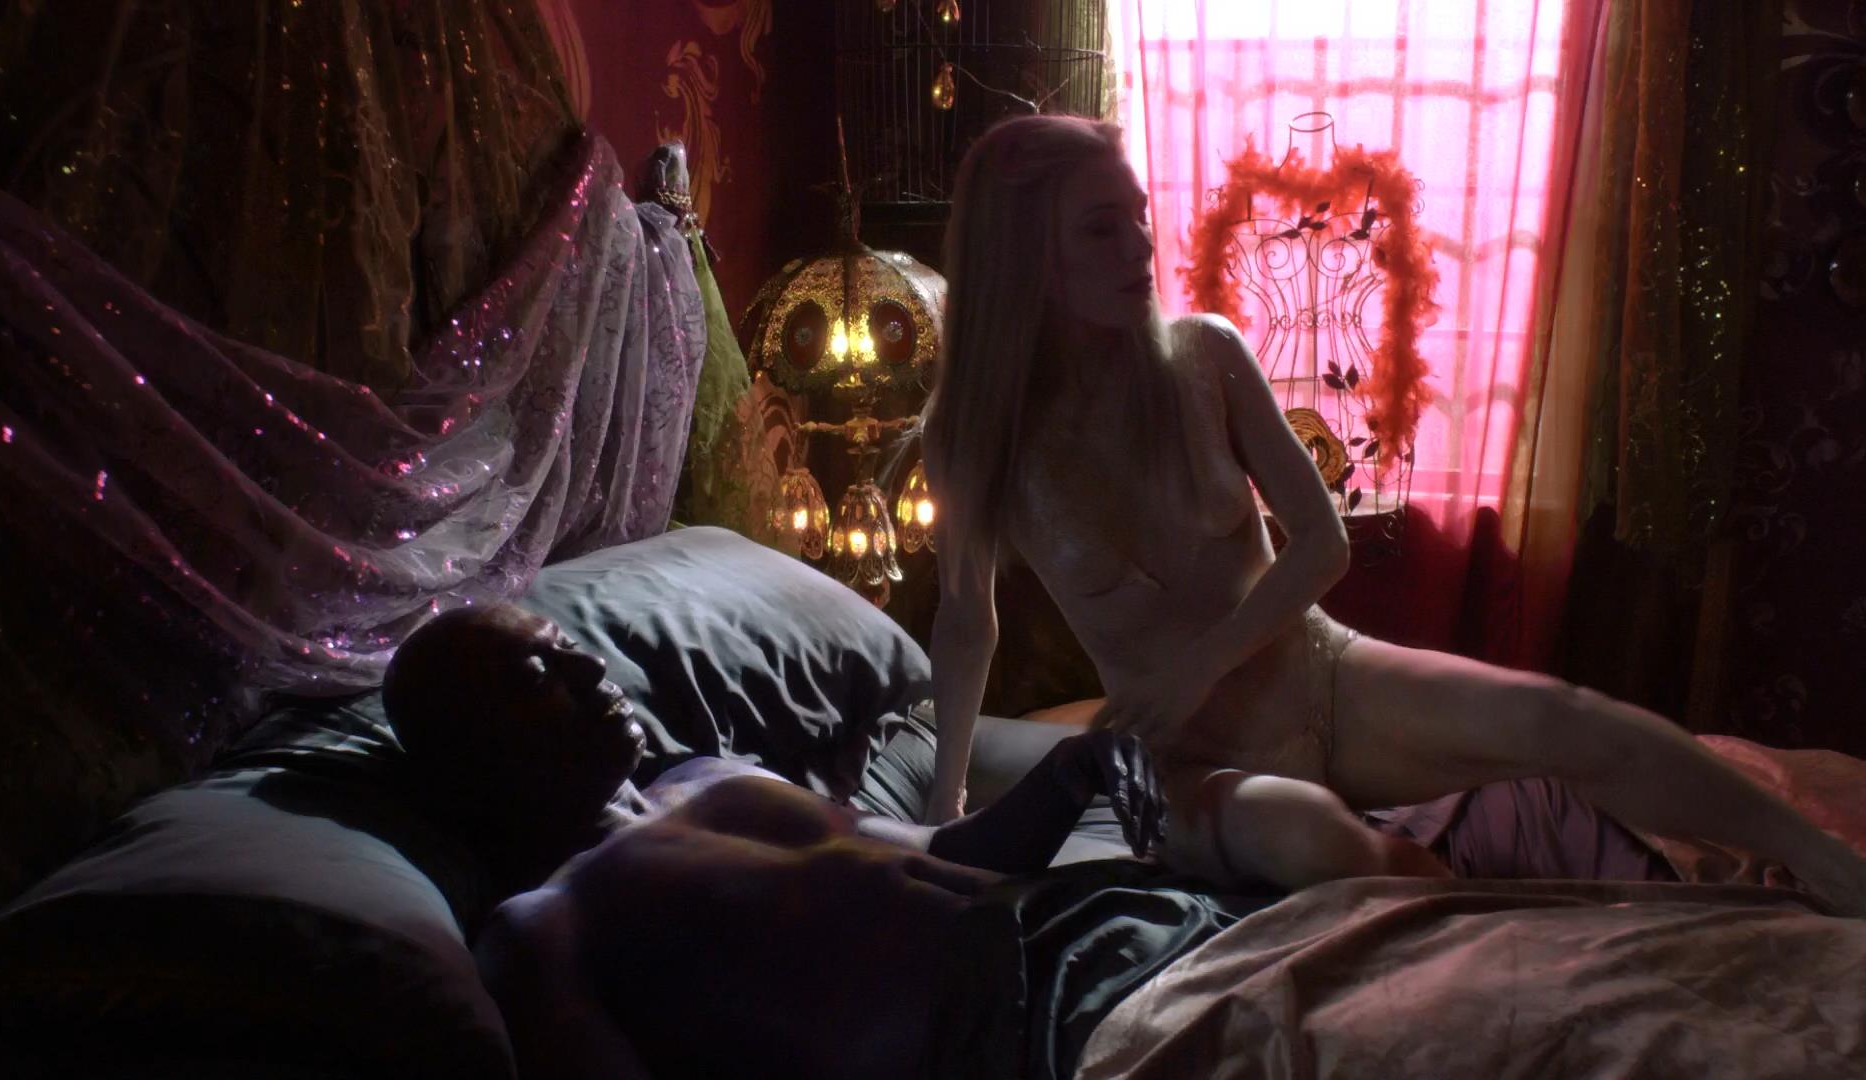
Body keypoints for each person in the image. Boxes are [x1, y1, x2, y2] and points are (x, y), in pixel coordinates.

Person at [918, 113, 1866, 914]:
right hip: (1184, 758)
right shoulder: (973, 441)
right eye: (1101, 229)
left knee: (1560, 716)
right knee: (1307, 838)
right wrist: (943, 806)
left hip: (1323, 682)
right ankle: (1506, 923)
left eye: (1138, 216)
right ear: (1026, 257)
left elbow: (1322, 545)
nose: (1140, 247)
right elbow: (966, 626)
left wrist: (1200, 663)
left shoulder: (1203, 356)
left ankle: (1818, 858)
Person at [385, 604, 1405, 1080]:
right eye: (539, 679)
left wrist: (1069, 774)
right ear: (475, 748)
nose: (591, 679)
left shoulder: (709, 777)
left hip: (1096, 929)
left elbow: (949, 850)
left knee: (1402, 960)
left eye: (572, 652)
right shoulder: (540, 929)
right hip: (1020, 1042)